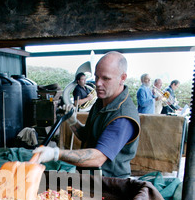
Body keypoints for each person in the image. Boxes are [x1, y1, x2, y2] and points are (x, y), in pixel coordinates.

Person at [33, 51, 140, 179]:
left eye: (106, 78)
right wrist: (72, 121)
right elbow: (86, 136)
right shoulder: (101, 102)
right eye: (96, 77)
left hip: (110, 185)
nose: (98, 83)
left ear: (122, 78)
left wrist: (56, 153)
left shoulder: (123, 117)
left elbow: (98, 158)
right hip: (89, 178)